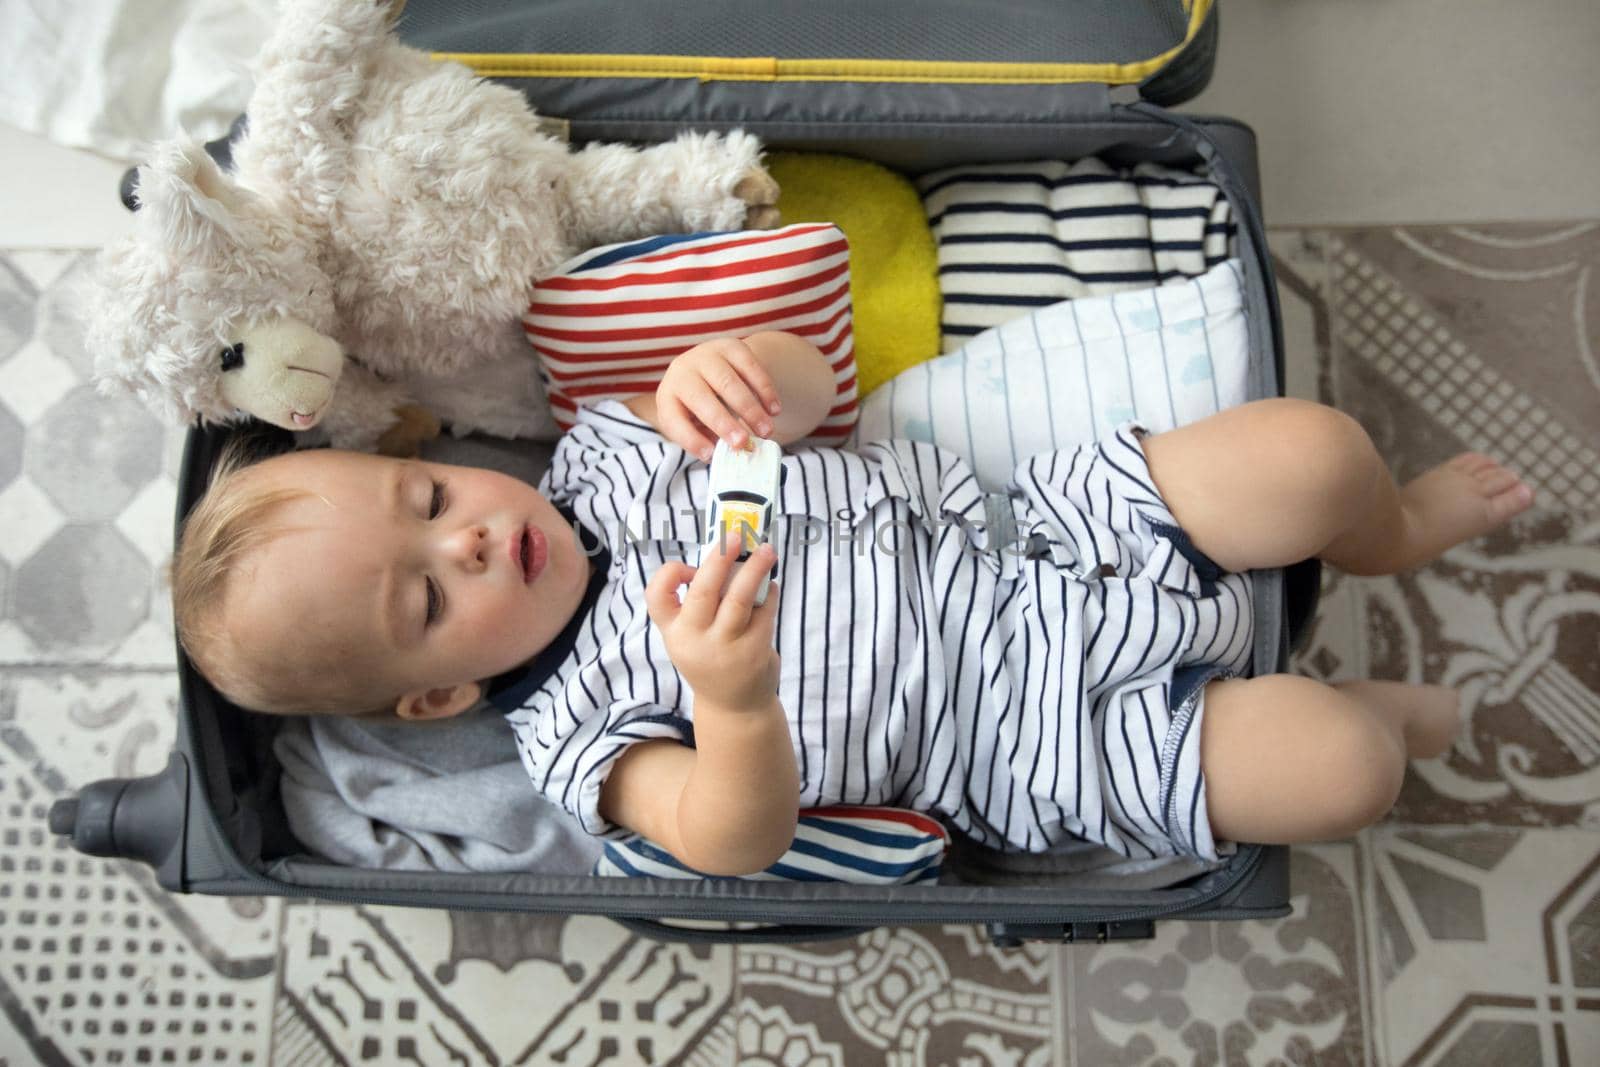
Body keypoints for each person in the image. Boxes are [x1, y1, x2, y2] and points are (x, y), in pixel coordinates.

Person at [172, 331, 1534, 876]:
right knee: (1340, 765)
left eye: (430, 504)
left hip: (1035, 529)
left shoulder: (606, 451)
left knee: (1315, 454)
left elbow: (811, 399)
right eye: (424, 600)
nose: (470, 542)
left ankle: (1386, 534)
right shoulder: (579, 736)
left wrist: (743, 376)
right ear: (437, 698)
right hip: (1028, 734)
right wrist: (733, 704)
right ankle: (1364, 706)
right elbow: (725, 841)